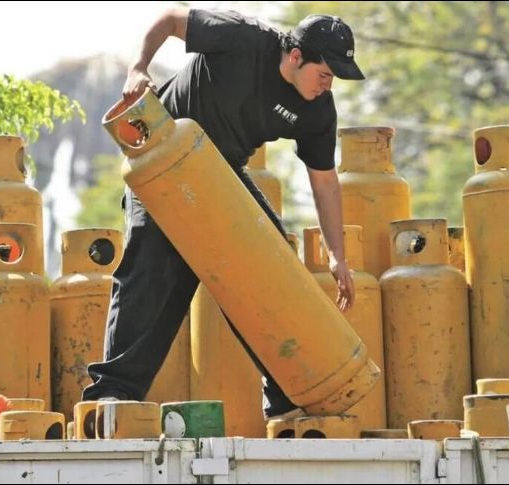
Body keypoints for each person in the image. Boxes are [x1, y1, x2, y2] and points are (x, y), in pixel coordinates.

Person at [83, 7, 365, 420]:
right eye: (325, 73)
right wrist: (137, 69)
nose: (328, 84)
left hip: (221, 172)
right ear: (295, 56)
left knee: (270, 264)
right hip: (164, 158)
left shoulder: (317, 110)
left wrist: (338, 255)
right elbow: (171, 19)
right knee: (153, 269)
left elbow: (324, 181)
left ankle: (287, 399)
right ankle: (113, 394)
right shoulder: (242, 38)